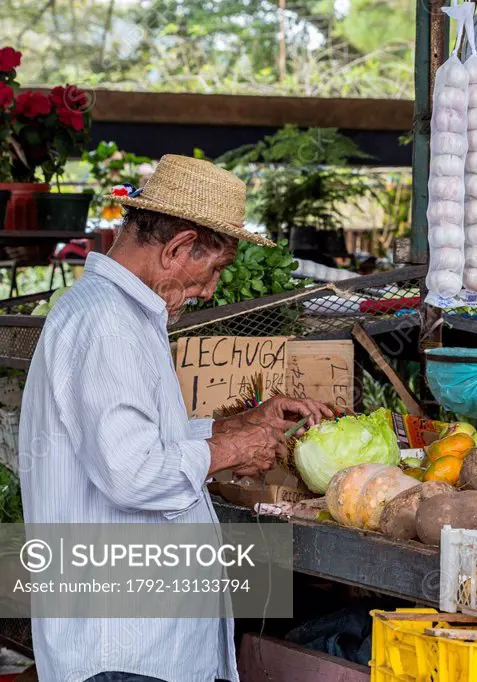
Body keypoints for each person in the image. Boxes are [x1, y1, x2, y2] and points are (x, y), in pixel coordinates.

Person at [18, 155, 334, 682]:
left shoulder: (118, 314)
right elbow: (134, 472)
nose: (209, 290)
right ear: (178, 248)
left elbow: (133, 438)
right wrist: (233, 452)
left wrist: (234, 426)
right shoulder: (108, 326)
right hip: (122, 648)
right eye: (212, 270)